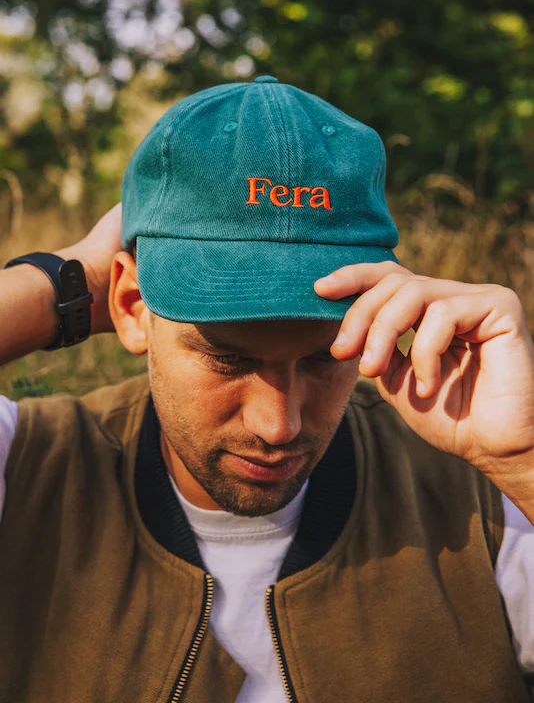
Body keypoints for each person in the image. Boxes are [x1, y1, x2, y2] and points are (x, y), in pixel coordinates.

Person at [0, 74, 533, 703]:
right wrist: (67, 286)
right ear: (132, 304)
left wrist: (520, 461)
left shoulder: (482, 494)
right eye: (226, 357)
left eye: (326, 356)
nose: (279, 425)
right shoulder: (28, 466)